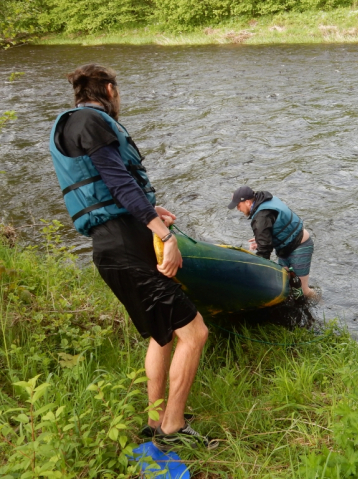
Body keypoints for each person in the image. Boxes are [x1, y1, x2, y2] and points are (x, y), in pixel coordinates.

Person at [49, 64, 215, 451]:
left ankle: (154, 421)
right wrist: (164, 235)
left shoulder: (73, 123)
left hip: (114, 243)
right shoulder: (92, 121)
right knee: (195, 332)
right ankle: (173, 428)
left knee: (161, 334)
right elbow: (118, 181)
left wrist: (153, 212)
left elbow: (114, 190)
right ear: (110, 89)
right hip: (124, 246)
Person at [228, 186, 315, 299]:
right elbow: (273, 228)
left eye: (238, 205)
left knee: (303, 291)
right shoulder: (263, 200)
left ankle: (321, 302)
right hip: (287, 246)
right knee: (287, 284)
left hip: (300, 246)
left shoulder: (261, 217)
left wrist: (255, 274)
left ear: (248, 202)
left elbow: (264, 251)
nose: (238, 209)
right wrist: (262, 239)